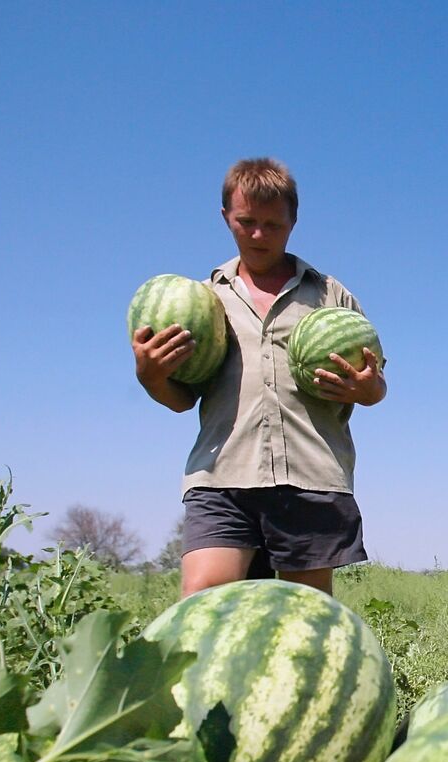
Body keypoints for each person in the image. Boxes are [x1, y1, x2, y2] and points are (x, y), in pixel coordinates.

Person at [131, 158, 385, 598]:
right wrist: (149, 374)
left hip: (309, 474)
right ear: (225, 217)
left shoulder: (329, 294)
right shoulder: (205, 299)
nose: (258, 235)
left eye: (273, 225)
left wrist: (366, 390)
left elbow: (376, 384)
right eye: (246, 222)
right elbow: (181, 399)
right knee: (203, 599)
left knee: (304, 613)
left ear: (293, 222)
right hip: (222, 473)